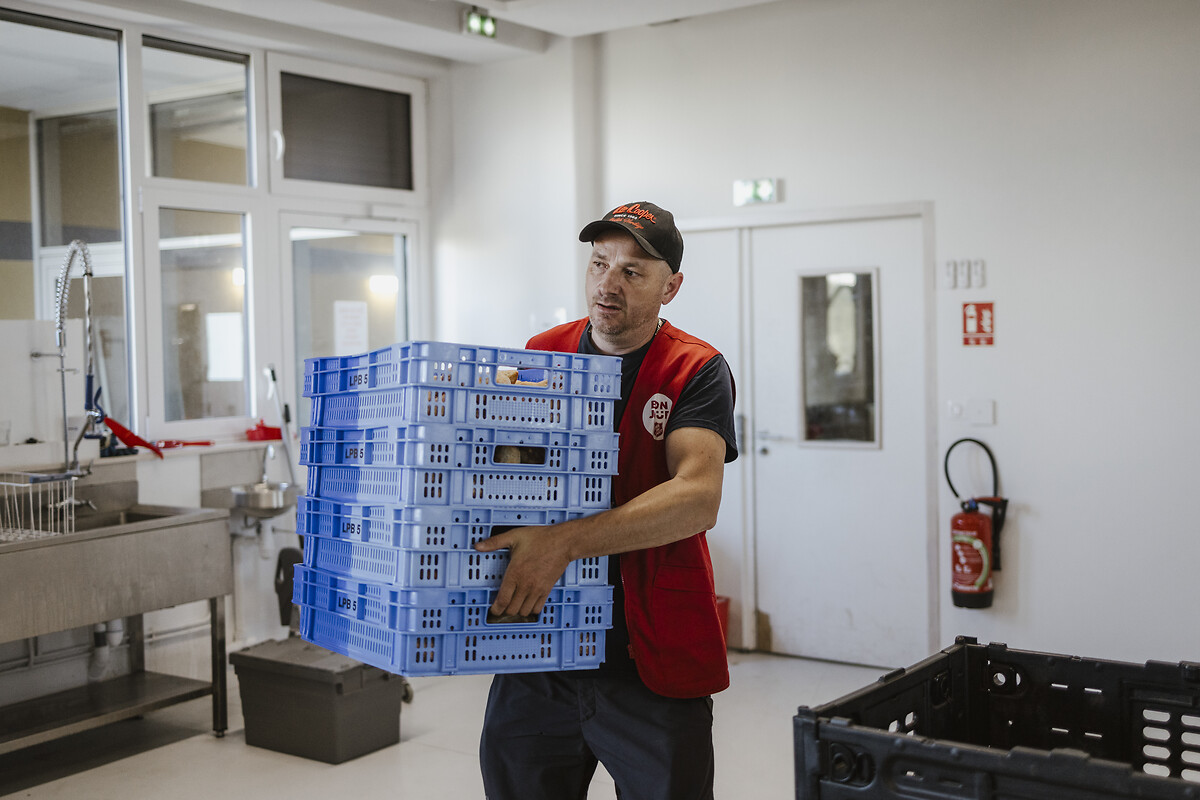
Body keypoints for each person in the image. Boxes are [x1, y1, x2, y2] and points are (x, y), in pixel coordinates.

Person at [475, 201, 739, 800]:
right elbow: (505, 466)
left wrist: (562, 543)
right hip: (539, 647)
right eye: (599, 264)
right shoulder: (542, 352)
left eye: (632, 272)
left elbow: (697, 497)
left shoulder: (693, 368)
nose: (607, 284)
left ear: (670, 286)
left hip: (647, 655)